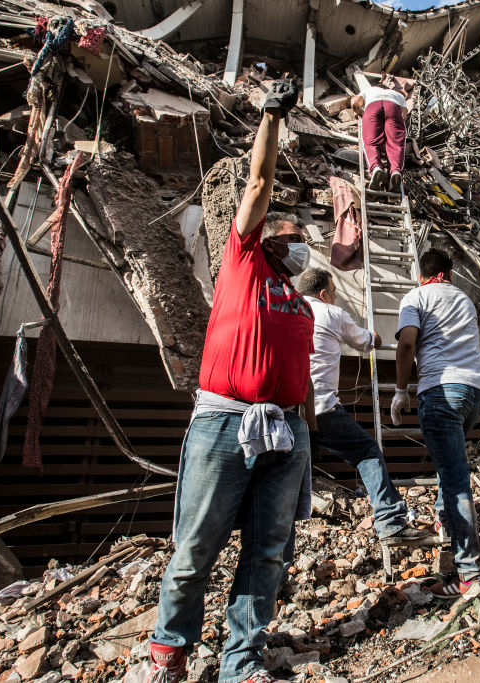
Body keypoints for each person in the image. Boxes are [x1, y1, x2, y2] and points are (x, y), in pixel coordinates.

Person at [146, 80, 316, 683]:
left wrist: (306, 433)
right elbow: (259, 181)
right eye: (291, 235)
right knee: (195, 549)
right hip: (224, 423)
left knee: (268, 554)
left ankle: (241, 663)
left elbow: (304, 378)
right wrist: (272, 114)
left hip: (286, 435)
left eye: (302, 239)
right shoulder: (242, 263)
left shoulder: (301, 304)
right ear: (269, 236)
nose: (298, 243)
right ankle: (170, 652)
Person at [295, 267, 427, 544]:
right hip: (321, 410)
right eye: (334, 293)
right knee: (367, 452)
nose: (335, 298)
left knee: (288, 476)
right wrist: (376, 337)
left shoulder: (287, 311)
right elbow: (367, 341)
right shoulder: (331, 314)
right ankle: (390, 521)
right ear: (323, 294)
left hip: (286, 413)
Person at [390, 249, 480, 598]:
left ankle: (468, 575)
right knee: (453, 465)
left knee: (454, 477)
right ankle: (445, 517)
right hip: (476, 392)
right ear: (449, 273)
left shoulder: (416, 295)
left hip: (440, 392)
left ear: (422, 275)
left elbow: (405, 345)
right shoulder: (464, 299)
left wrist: (401, 391)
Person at [351, 76, 407, 193]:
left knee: (370, 142)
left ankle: (376, 168)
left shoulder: (371, 90)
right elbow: (404, 115)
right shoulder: (398, 95)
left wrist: (359, 113)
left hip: (373, 106)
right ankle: (396, 171)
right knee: (397, 143)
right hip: (394, 107)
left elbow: (355, 102)